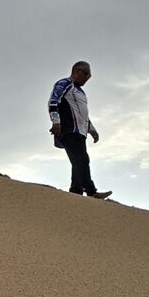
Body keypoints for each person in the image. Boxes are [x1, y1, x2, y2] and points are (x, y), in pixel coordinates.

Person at [48, 60, 109, 198]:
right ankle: (91, 191)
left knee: (79, 160)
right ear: (77, 71)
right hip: (69, 129)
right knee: (81, 160)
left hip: (80, 132)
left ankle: (76, 191)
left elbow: (83, 113)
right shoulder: (65, 83)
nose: (87, 78)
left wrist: (91, 129)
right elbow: (53, 101)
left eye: (89, 76)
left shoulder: (81, 92)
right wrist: (56, 121)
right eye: (86, 74)